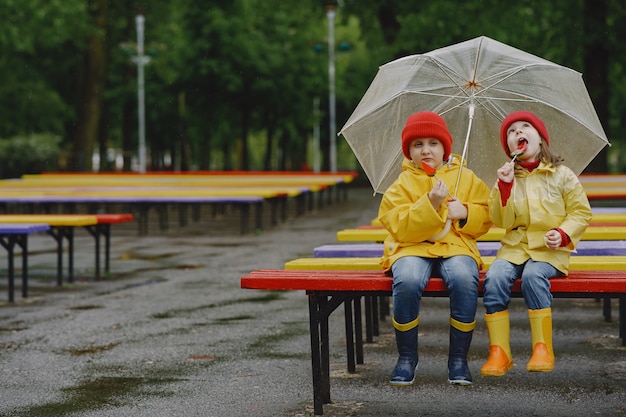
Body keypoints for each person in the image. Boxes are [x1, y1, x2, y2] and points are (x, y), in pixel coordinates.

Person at [378, 111, 492, 386]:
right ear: (409, 151)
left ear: (445, 148)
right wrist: (429, 203)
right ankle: (406, 357)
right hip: (412, 247)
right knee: (408, 279)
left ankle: (458, 360)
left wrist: (464, 211)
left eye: (433, 143)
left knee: (465, 278)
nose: (426, 150)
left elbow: (486, 217)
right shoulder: (402, 183)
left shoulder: (466, 177)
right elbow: (398, 224)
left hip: (456, 245)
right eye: (417, 144)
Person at [481, 111, 592, 377]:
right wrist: (505, 188)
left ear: (541, 139)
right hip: (515, 247)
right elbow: (499, 218)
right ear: (509, 147)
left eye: (525, 127)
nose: (518, 133)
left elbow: (581, 212)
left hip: (549, 250)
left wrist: (563, 234)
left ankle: (542, 347)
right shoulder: (506, 177)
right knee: (494, 277)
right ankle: (499, 351)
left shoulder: (561, 175)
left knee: (533, 276)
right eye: (511, 131)